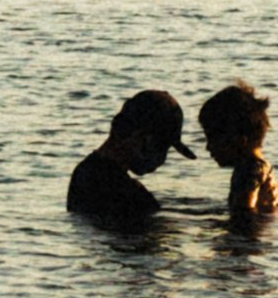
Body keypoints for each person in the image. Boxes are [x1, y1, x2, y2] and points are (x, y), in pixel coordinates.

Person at [66, 89, 192, 223]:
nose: (162, 160)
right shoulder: (131, 195)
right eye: (163, 148)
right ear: (144, 139)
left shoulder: (84, 172)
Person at [198, 79, 278, 225]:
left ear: (239, 140)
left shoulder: (250, 170)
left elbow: (245, 210)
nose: (208, 147)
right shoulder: (255, 166)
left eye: (212, 138)